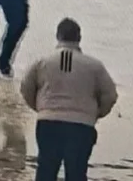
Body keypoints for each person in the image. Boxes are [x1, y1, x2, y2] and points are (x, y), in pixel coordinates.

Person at [19, 18, 118, 181]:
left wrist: (41, 108)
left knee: (46, 170)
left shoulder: (42, 62)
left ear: (58, 36)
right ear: (79, 37)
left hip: (48, 122)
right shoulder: (94, 66)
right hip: (81, 125)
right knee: (76, 172)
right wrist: (96, 114)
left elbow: (26, 88)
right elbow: (110, 95)